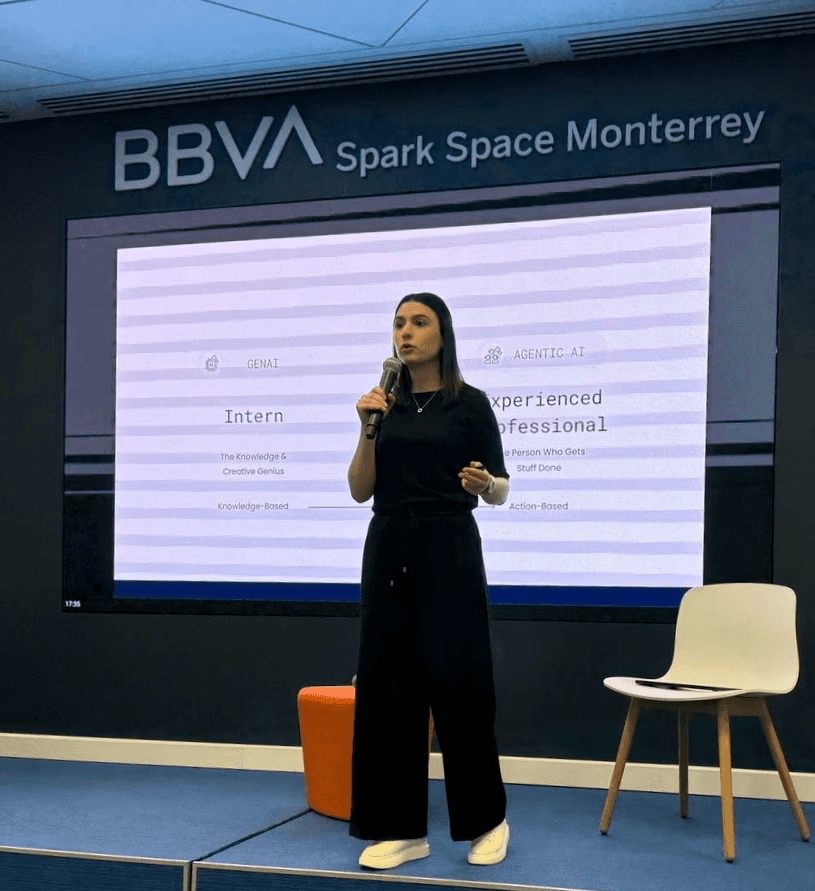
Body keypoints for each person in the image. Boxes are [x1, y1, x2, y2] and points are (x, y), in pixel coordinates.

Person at [347, 292, 510, 870]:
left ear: (444, 333)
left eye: (420, 322)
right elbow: (359, 489)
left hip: (450, 547)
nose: (406, 332)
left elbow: (502, 488)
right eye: (399, 323)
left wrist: (482, 483)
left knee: (461, 686)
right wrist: (368, 428)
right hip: (388, 546)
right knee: (389, 690)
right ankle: (400, 829)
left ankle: (486, 821)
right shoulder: (381, 407)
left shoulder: (470, 404)